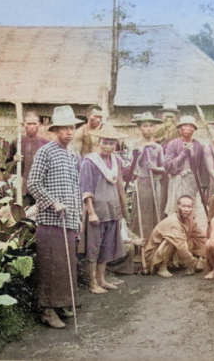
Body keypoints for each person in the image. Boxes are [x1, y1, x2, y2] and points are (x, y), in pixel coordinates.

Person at [27, 105, 84, 329]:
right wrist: (52, 202)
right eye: (64, 128)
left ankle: (60, 304)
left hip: (68, 220)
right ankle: (47, 311)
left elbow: (75, 187)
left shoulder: (71, 155)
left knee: (65, 265)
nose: (69, 132)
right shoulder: (46, 151)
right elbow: (33, 183)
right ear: (55, 130)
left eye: (72, 128)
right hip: (51, 220)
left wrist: (77, 213)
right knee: (51, 265)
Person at [80, 123, 130, 294]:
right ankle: (92, 282)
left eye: (112, 143)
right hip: (97, 212)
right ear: (98, 142)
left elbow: (120, 186)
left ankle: (102, 279)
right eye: (105, 142)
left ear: (116, 145)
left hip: (112, 210)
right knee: (93, 248)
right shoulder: (90, 162)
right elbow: (85, 189)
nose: (108, 146)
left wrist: (122, 210)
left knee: (107, 247)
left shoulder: (116, 161)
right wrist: (91, 212)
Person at [144, 195, 206, 277]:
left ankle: (178, 263)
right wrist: (194, 262)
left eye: (189, 207)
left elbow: (201, 237)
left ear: (192, 208)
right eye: (184, 206)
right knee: (170, 241)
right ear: (178, 206)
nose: (186, 210)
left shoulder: (190, 221)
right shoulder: (173, 221)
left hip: (173, 252)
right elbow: (181, 246)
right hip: (155, 255)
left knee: (194, 239)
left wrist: (202, 255)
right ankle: (162, 268)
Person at [164, 115, 207, 229]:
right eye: (185, 125)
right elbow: (167, 166)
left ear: (194, 129)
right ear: (179, 129)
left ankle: (189, 233)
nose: (187, 128)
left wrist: (203, 185)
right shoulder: (173, 144)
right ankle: (174, 232)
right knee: (176, 210)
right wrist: (182, 155)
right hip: (177, 180)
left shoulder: (199, 146)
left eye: (191, 126)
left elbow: (202, 167)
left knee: (191, 210)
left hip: (193, 182)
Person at [127, 112, 166, 238]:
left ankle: (152, 243)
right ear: (140, 128)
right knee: (141, 212)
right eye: (145, 126)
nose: (148, 128)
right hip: (141, 181)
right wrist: (142, 150)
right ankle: (139, 243)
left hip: (154, 182)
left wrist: (155, 168)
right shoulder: (134, 144)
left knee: (154, 212)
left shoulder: (158, 147)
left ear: (155, 128)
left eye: (151, 126)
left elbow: (164, 167)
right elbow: (131, 165)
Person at [6, 111, 49, 206]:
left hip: (40, 189)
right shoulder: (16, 142)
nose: (31, 126)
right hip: (22, 188)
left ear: (39, 124)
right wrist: (14, 161)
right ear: (24, 125)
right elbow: (6, 166)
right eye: (29, 123)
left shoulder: (45, 143)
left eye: (34, 123)